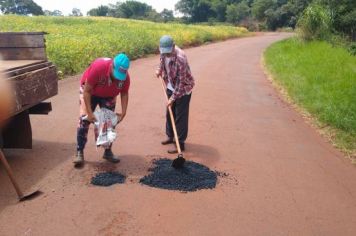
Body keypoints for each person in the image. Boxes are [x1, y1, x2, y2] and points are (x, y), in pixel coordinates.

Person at [74, 53, 130, 167]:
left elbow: (124, 93)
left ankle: (107, 151)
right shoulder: (99, 67)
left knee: (108, 121)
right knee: (84, 120)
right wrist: (90, 113)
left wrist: (124, 112)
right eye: (116, 74)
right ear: (111, 66)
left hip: (108, 94)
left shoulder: (125, 78)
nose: (117, 78)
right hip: (90, 92)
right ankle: (79, 151)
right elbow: (87, 91)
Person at [155, 35, 195, 154]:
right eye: (164, 52)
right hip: (170, 85)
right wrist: (159, 70)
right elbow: (162, 63)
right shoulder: (164, 52)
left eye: (168, 52)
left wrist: (173, 98)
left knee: (180, 116)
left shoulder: (181, 58)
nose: (166, 55)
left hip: (183, 89)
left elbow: (181, 83)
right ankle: (170, 137)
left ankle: (180, 143)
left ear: (173, 46)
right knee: (169, 112)